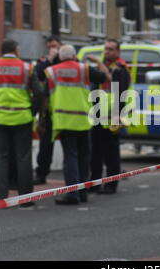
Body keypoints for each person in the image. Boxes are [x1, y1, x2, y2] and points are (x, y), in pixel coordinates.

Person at [0, 39, 42, 206]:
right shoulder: (28, 67)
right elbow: (38, 94)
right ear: (15, 49)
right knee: (23, 158)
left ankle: (2, 198)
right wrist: (31, 112)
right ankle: (25, 199)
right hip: (22, 118)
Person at [42, 44, 110, 205]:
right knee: (84, 156)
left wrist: (43, 117)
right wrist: (99, 62)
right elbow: (106, 77)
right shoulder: (84, 69)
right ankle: (82, 192)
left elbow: (45, 96)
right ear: (74, 56)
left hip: (63, 119)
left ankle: (72, 194)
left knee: (70, 156)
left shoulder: (52, 71)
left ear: (60, 57)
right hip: (83, 119)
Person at [90, 39, 131, 194]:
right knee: (96, 152)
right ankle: (94, 182)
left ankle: (111, 184)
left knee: (111, 153)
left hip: (112, 116)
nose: (107, 52)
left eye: (111, 49)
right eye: (106, 49)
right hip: (98, 114)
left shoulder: (120, 69)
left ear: (118, 52)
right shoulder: (103, 67)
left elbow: (121, 95)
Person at [33, 35, 62, 185]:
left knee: (72, 146)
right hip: (49, 110)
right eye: (50, 47)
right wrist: (49, 60)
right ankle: (41, 173)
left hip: (66, 109)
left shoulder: (68, 60)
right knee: (45, 145)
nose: (53, 49)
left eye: (55, 46)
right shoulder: (45, 62)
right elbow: (37, 74)